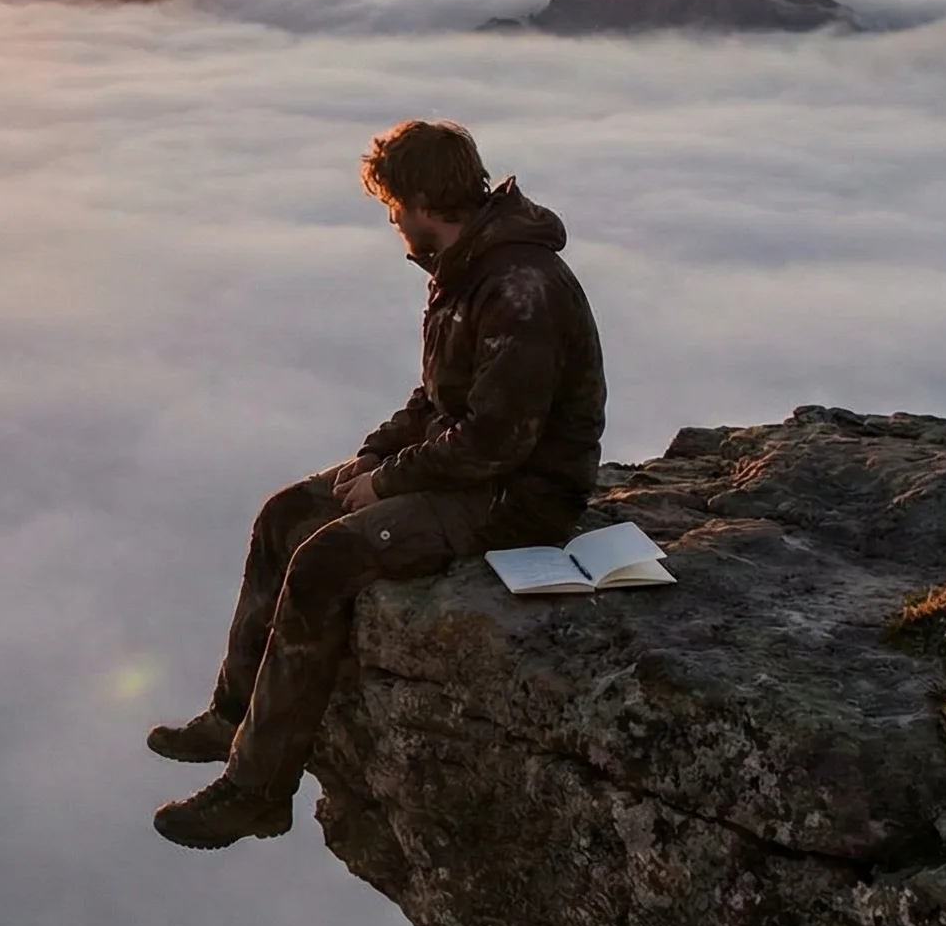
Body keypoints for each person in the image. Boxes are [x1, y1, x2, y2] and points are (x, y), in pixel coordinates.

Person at [149, 120, 607, 849]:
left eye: (395, 205)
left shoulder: (520, 288)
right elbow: (438, 399)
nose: (392, 221)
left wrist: (390, 481)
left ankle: (258, 791)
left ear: (426, 200)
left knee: (324, 562)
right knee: (284, 516)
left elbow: (497, 441)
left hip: (518, 497)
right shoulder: (467, 272)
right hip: (461, 468)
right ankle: (231, 716)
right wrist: (372, 460)